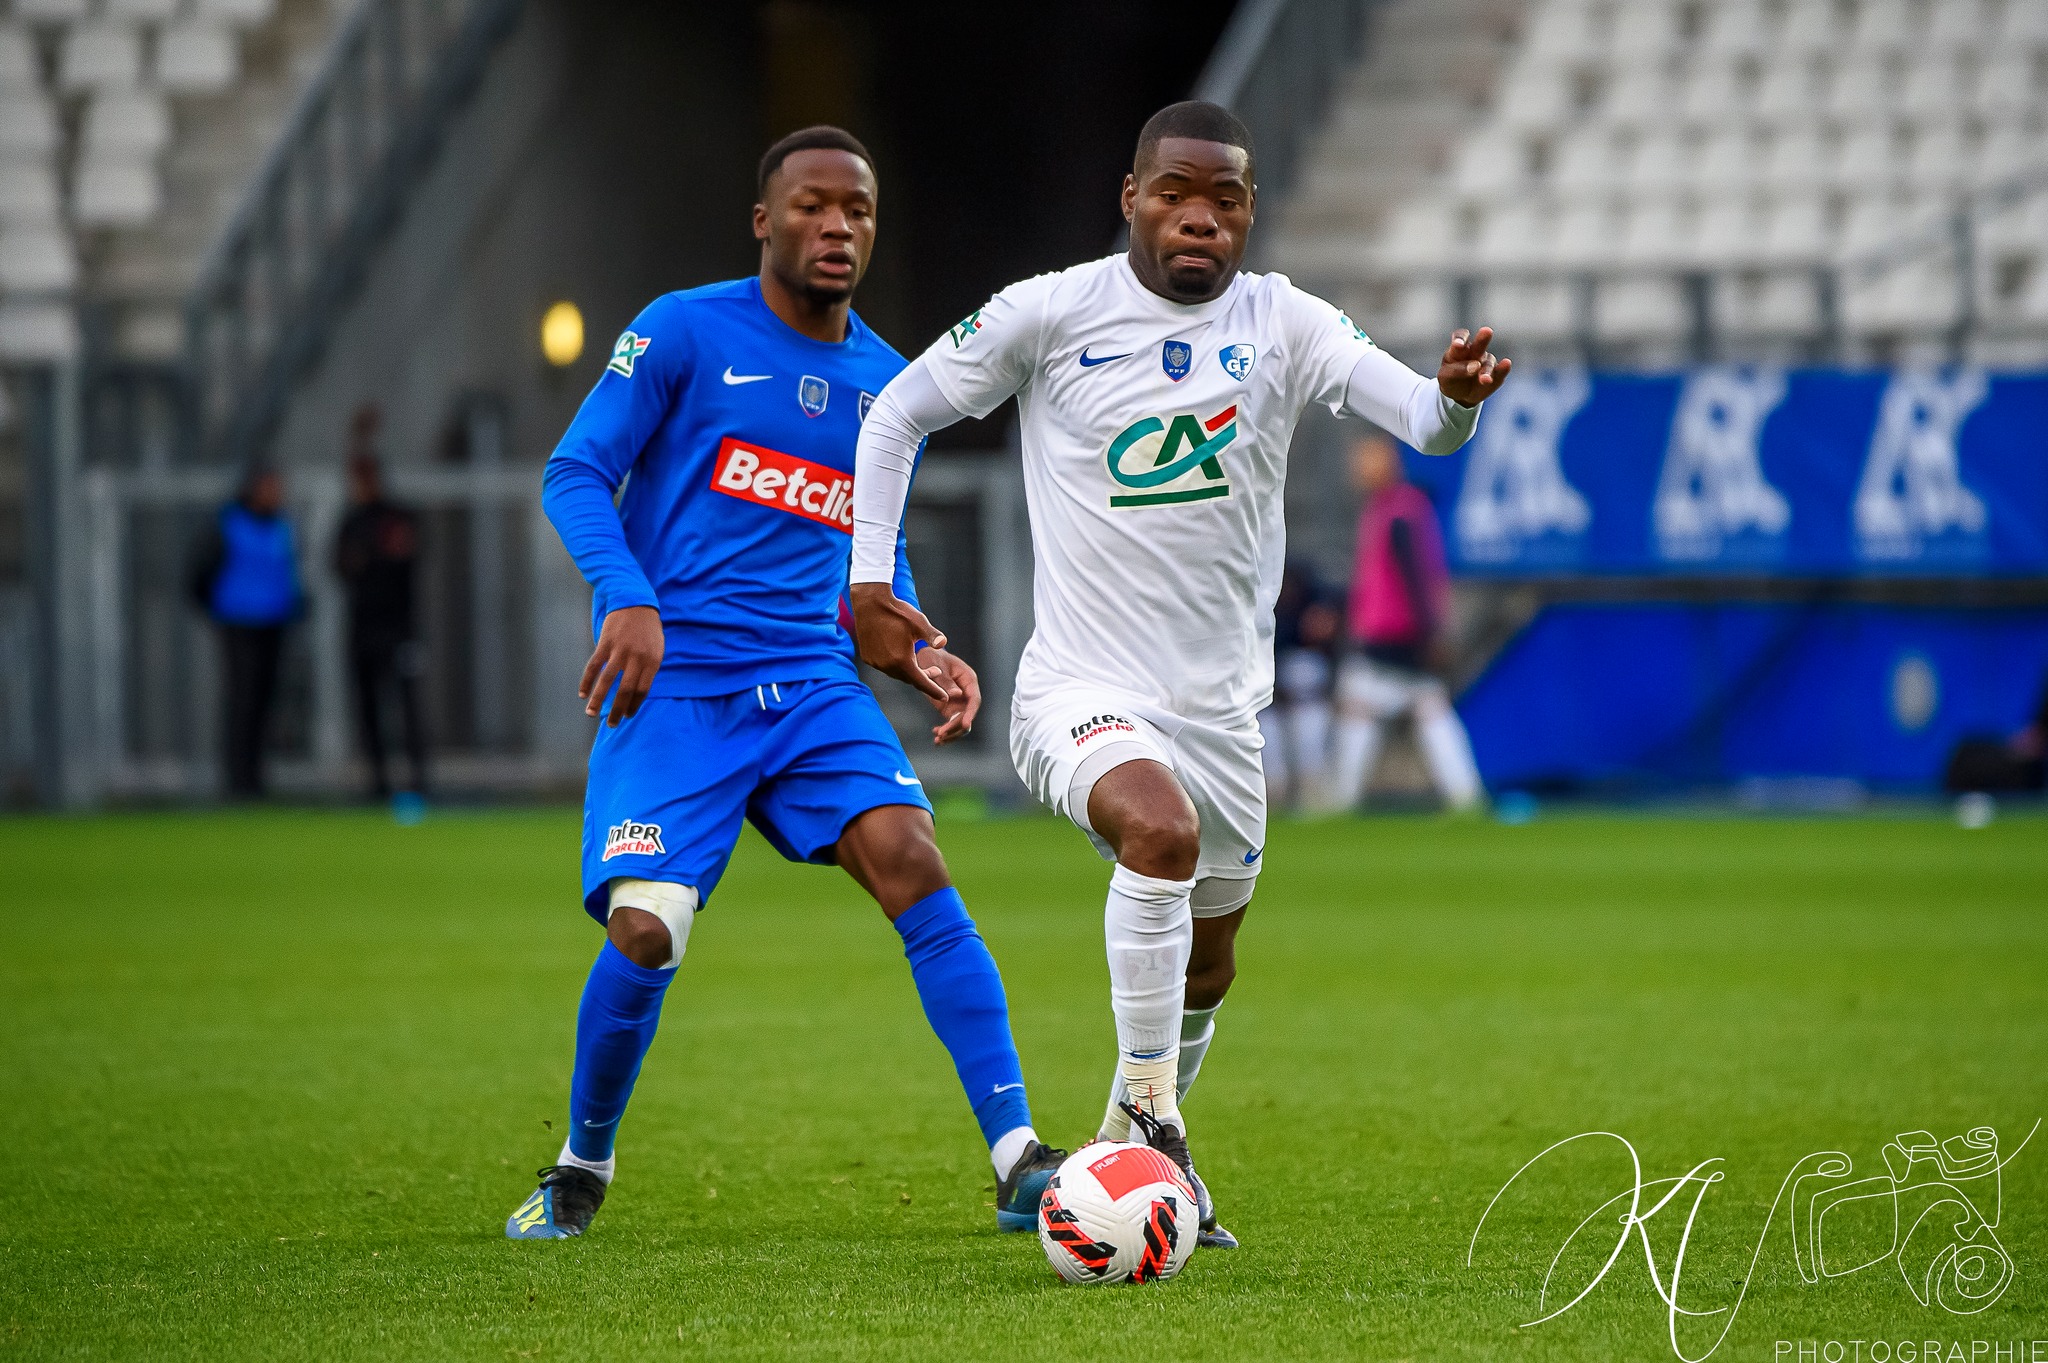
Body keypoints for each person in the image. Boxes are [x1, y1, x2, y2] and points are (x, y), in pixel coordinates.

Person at [849, 100, 1509, 1250]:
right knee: (1158, 833)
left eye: (1225, 198)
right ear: (1132, 199)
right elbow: (896, 414)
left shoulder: (1284, 319)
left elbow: (1422, 423)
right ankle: (1157, 1131)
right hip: (1076, 689)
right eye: (1176, 193)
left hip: (1220, 710)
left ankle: (1116, 1149)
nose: (1200, 217)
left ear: (1248, 211)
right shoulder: (1049, 311)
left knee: (1210, 961)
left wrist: (1451, 397)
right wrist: (866, 584)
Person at [508, 126, 1065, 1241]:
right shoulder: (681, 330)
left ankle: (1016, 1156)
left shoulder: (887, 384)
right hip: (676, 689)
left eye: (856, 210)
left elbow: (874, 563)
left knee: (915, 860)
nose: (836, 227)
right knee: (649, 926)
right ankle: (581, 1166)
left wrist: (911, 647)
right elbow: (575, 470)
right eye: (812, 207)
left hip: (810, 686)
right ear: (764, 221)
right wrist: (629, 593)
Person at [1330, 431, 1485, 811]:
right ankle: (1466, 797)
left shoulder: (1398, 510)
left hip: (1397, 633)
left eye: (1368, 460)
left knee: (1360, 706)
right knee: (1428, 709)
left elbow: (1416, 575)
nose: (1359, 469)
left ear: (1390, 463)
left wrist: (1432, 631)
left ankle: (1339, 799)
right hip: (1397, 632)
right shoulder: (1390, 507)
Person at [187, 463, 302, 798]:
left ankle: (257, 777)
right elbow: (200, 573)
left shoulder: (281, 527)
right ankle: (237, 780)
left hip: (274, 622)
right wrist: (218, 608)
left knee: (266, 700)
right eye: (269, 487)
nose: (276, 494)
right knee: (242, 699)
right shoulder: (229, 524)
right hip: (239, 623)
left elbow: (288, 571)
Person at [333, 408, 428, 801]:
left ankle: (419, 783)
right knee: (369, 710)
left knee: (407, 710)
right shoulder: (349, 520)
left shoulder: (398, 516)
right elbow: (339, 566)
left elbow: (409, 555)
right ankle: (378, 785)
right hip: (363, 630)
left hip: (400, 627)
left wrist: (372, 557)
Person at [1257, 558, 1342, 810]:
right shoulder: (1261, 606)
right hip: (1267, 695)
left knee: (1309, 720)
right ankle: (1273, 793)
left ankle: (1311, 791)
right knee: (1267, 732)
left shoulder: (1316, 598)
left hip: (1308, 698)